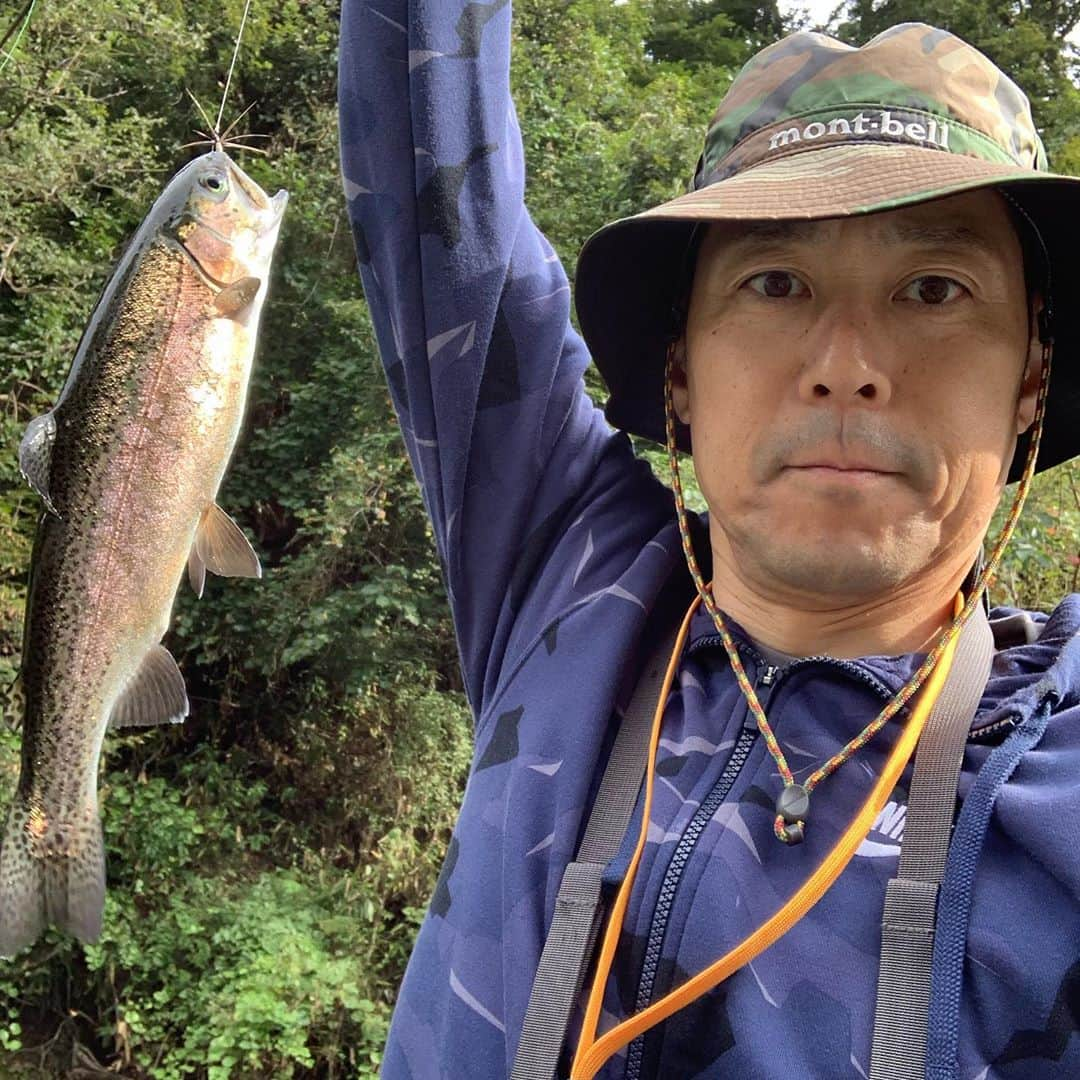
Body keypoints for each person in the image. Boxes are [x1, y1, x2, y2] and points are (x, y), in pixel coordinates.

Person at [339, 4, 1080, 1077]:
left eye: (934, 289)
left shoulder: (1053, 768)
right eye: (776, 283)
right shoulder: (566, 577)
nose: (847, 363)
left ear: (1031, 378)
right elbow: (424, 144)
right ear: (681, 367)